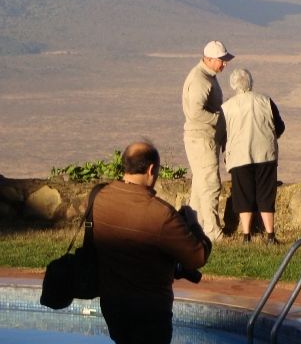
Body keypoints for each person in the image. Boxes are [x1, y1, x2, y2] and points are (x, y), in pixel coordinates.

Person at [92, 140, 212, 344]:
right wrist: (193, 224)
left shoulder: (100, 197)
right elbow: (197, 256)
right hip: (150, 311)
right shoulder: (161, 214)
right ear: (151, 169)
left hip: (113, 306)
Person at [222, 67, 286, 244]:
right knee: (266, 194)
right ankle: (271, 235)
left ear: (233, 84)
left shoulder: (227, 107)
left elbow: (222, 133)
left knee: (243, 194)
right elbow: (279, 127)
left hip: (239, 155)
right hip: (265, 154)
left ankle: (246, 235)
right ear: (251, 82)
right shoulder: (266, 101)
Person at [181, 39, 233, 241]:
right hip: (202, 138)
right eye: (221, 60)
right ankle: (213, 232)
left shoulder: (208, 76)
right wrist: (219, 120)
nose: (225, 64)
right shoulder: (200, 80)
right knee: (210, 184)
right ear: (210, 59)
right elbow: (196, 113)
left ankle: (193, 229)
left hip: (204, 138)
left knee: (200, 185)